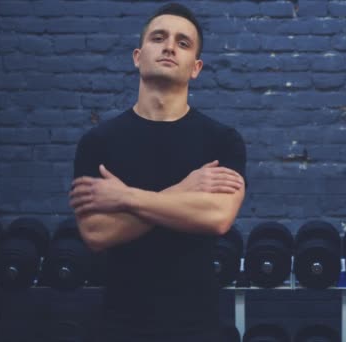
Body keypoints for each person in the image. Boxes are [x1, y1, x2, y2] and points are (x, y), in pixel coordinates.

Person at [68, 3, 246, 341]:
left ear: (195, 67)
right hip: (120, 327)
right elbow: (97, 234)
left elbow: (217, 218)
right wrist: (183, 191)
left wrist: (125, 197)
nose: (168, 47)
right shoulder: (98, 142)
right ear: (138, 56)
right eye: (159, 38)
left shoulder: (222, 141)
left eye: (182, 42)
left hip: (198, 328)